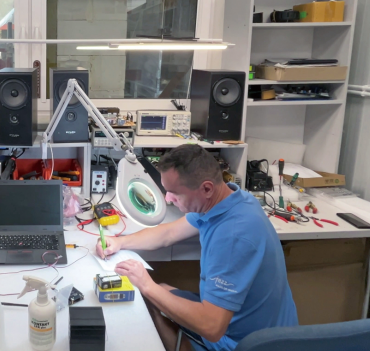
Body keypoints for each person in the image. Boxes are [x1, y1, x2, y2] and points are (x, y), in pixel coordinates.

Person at [98, 144, 297, 351]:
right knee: (161, 291)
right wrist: (120, 242)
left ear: (207, 189)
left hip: (250, 343)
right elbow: (169, 233)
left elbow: (211, 327)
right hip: (262, 325)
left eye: (174, 193)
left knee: (152, 297)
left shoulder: (233, 237)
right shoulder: (230, 201)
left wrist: (146, 285)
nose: (167, 199)